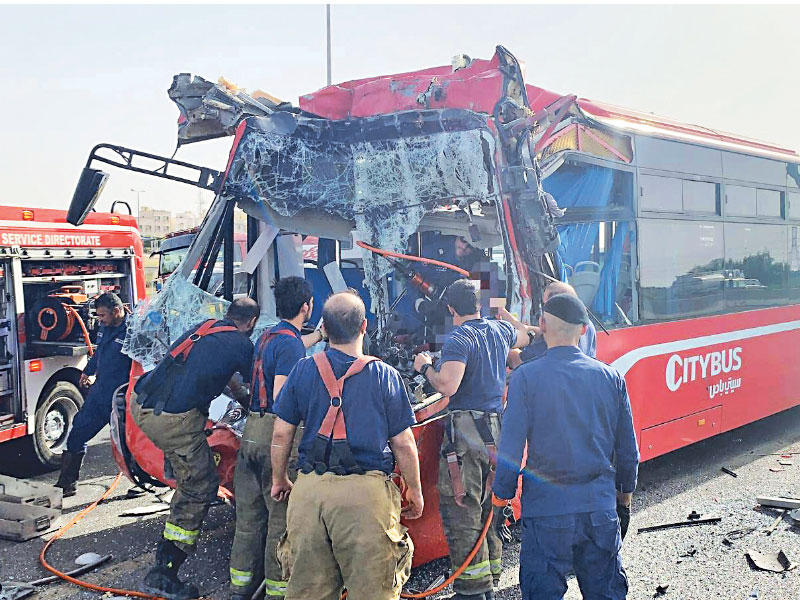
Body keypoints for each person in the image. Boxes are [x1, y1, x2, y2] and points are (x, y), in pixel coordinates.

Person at [270, 291, 423, 600]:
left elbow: (281, 434)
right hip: (365, 499)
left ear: (323, 328)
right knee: (373, 592)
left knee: (308, 592)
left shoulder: (303, 369)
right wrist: (415, 490)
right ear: (365, 326)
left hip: (310, 495)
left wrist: (280, 479)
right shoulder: (385, 376)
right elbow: (404, 444)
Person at [492, 294, 639, 600]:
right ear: (584, 330)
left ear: (542, 325)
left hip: (546, 513)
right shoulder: (611, 378)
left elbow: (511, 447)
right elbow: (628, 451)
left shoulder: (525, 378)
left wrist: (502, 497)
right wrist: (623, 500)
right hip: (598, 510)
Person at [413, 278, 535, 600]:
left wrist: (425, 368)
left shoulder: (459, 339)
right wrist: (503, 311)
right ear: (479, 304)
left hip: (465, 437)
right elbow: (529, 334)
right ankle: (489, 581)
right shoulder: (499, 330)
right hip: (496, 431)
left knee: (463, 509)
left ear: (451, 308)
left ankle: (471, 591)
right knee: (489, 510)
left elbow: (448, 385)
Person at [130, 297, 259, 600]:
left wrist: (241, 397)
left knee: (190, 466)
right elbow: (263, 386)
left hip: (143, 404)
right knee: (200, 485)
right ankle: (164, 574)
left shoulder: (206, 327)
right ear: (251, 323)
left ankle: (181, 464)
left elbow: (217, 372)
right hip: (173, 420)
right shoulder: (242, 345)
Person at [228, 277, 324, 600]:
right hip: (274, 436)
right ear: (306, 306)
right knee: (280, 522)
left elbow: (293, 346)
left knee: (248, 519)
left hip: (251, 434)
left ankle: (240, 589)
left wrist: (319, 336)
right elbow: (284, 396)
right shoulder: (290, 345)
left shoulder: (268, 335)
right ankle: (277, 593)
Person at [55, 292, 131, 497]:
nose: (100, 320)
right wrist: (88, 371)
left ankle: (140, 482)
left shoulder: (135, 331)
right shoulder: (106, 327)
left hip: (123, 398)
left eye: (103, 315)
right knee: (78, 431)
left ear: (116, 311)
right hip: (100, 395)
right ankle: (67, 483)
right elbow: (100, 353)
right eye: (98, 316)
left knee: (130, 445)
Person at [501, 280, 597, 369]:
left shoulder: (552, 337)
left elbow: (517, 361)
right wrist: (503, 312)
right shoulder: (587, 326)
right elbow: (538, 331)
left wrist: (502, 341)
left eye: (545, 304)